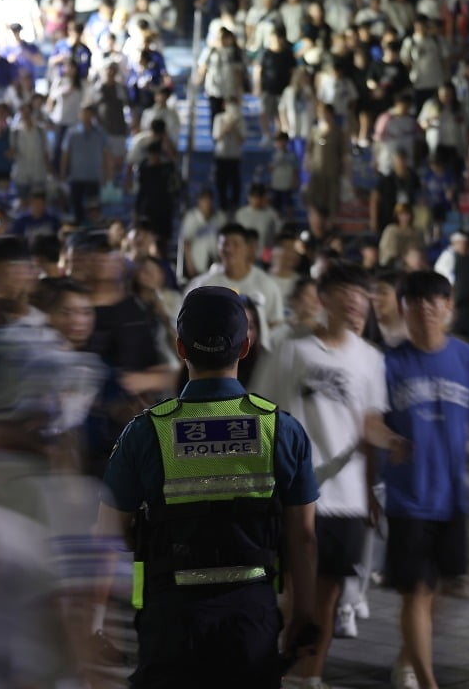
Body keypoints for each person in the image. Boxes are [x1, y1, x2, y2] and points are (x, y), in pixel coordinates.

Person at [96, 286, 321, 688]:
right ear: (246, 345)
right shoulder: (280, 430)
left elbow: (106, 535)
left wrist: (97, 623)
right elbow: (302, 536)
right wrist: (303, 613)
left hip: (170, 617)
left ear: (180, 347)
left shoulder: (146, 432)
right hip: (251, 615)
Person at [367, 270, 469, 689]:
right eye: (416, 301)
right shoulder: (388, 364)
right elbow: (370, 422)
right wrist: (383, 451)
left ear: (448, 308)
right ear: (402, 309)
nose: (426, 308)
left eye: (435, 300)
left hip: (453, 497)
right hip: (408, 497)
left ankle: (409, 655)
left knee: (445, 585)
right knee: (416, 591)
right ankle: (425, 679)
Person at [254, 261, 388, 688]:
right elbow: (261, 415)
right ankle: (289, 671)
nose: (355, 301)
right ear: (323, 296)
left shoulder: (370, 359)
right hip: (298, 495)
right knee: (298, 594)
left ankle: (310, 676)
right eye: (346, 292)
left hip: (346, 494)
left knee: (328, 598)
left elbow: (370, 425)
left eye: (361, 294)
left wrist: (373, 491)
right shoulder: (291, 349)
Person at [184, 223, 286, 349]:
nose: (229, 249)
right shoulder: (202, 285)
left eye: (236, 244)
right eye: (225, 244)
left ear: (248, 248)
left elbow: (275, 324)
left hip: (258, 359)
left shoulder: (267, 284)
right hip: (215, 359)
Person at [61, 105, 111, 225]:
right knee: (77, 209)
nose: (85, 116)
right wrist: (63, 172)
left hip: (93, 176)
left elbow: (106, 154)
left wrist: (107, 174)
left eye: (88, 113)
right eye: (83, 113)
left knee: (94, 209)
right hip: (76, 177)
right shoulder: (72, 133)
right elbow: (65, 153)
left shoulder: (100, 133)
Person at [179, 189, 227, 280]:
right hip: (198, 261)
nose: (206, 203)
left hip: (216, 260)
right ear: (199, 201)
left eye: (208, 200)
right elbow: (186, 242)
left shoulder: (220, 217)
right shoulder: (191, 217)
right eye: (203, 200)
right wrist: (190, 265)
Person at [235, 184, 282, 256]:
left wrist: (268, 256)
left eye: (259, 197)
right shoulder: (240, 214)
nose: (256, 200)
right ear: (249, 197)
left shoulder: (272, 214)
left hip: (265, 255)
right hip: (245, 254)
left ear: (264, 197)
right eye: (253, 196)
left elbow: (277, 235)